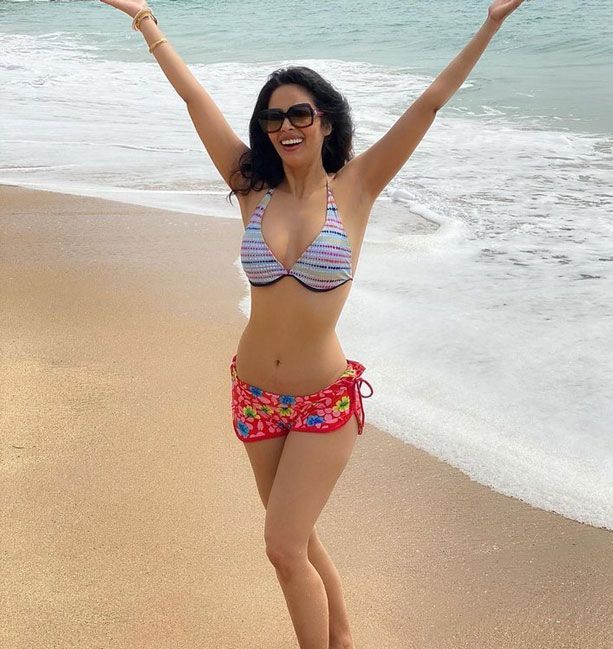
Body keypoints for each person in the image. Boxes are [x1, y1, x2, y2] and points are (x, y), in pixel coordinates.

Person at [98, 1, 527, 647]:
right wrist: (143, 18)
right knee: (296, 538)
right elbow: (194, 100)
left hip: (323, 401)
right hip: (254, 394)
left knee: (282, 544)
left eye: (299, 113)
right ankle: (343, 636)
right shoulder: (252, 187)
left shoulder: (358, 187)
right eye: (273, 118)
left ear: (325, 120)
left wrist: (491, 23)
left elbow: (430, 103)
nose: (285, 127)